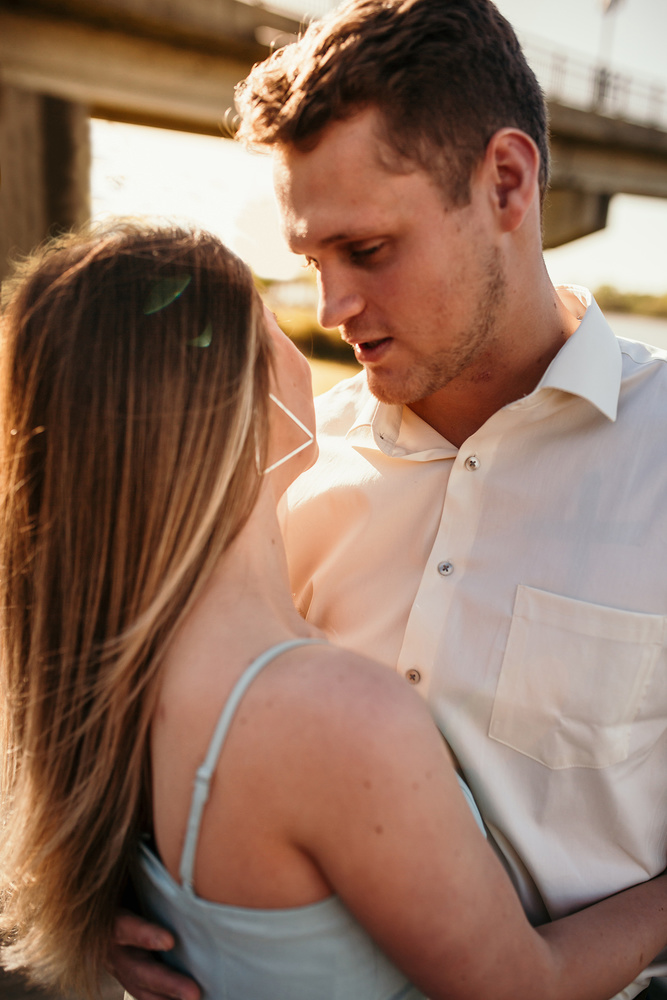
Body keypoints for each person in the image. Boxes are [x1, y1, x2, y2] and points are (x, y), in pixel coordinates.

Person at [109, 0, 667, 998]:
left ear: (506, 182)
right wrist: (130, 888)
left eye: (365, 252)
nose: (330, 311)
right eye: (310, 262)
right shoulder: (282, 471)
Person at [2, 224, 667, 1000]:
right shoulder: (340, 713)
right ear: (225, 405)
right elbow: (521, 987)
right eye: (267, 315)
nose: (320, 318)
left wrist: (101, 901)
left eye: (369, 249)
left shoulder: (109, 669)